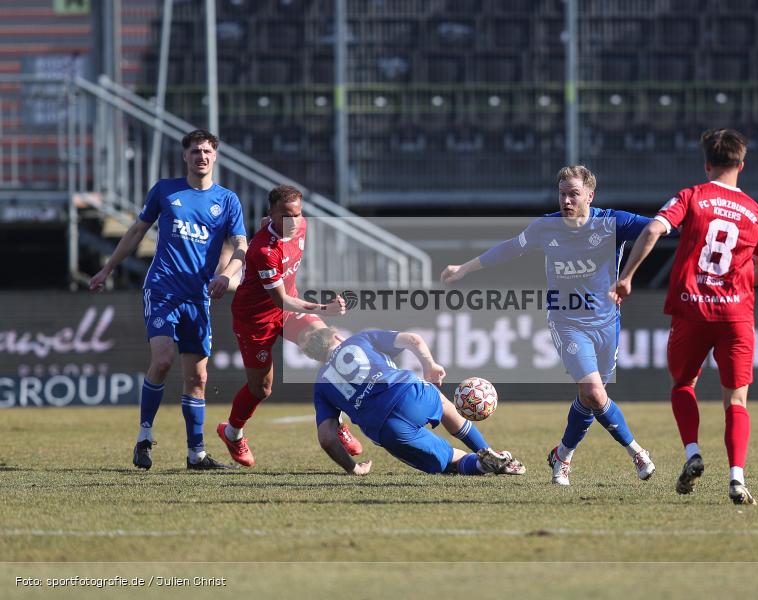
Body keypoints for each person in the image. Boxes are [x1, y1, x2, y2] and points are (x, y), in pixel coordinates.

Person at [442, 165, 668, 486]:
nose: (567, 200)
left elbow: (657, 229)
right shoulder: (545, 228)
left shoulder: (612, 222)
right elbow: (509, 248)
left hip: (607, 323)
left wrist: (696, 225)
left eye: (574, 194)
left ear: (590, 195)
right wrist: (464, 268)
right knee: (593, 391)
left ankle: (562, 455)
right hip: (566, 320)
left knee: (590, 399)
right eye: (562, 194)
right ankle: (637, 452)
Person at [609, 128, 758, 505]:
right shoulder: (757, 213)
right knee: (736, 401)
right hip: (735, 315)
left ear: (707, 163)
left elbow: (653, 228)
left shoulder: (693, 197)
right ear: (741, 165)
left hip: (691, 308)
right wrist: (732, 280)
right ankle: (737, 477)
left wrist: (627, 277)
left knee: (683, 384)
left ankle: (692, 453)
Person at [90, 129, 248, 470]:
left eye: (206, 151)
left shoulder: (228, 200)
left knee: (198, 379)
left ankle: (197, 454)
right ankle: (144, 438)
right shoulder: (165, 190)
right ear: (185, 156)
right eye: (195, 151)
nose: (201, 156)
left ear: (215, 156)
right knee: (162, 360)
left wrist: (227, 274)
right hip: (162, 289)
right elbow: (135, 232)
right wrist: (107, 270)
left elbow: (241, 247)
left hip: (198, 297)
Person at [218, 185, 358, 467]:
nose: (293, 221)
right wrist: (324, 309)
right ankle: (232, 433)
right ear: (270, 214)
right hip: (256, 319)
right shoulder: (262, 251)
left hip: (289, 312)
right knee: (261, 389)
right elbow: (281, 300)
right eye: (285, 216)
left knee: (336, 350)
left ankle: (337, 424)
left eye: (297, 214)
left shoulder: (299, 225)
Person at [304, 326, 526, 477]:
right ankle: (485, 451)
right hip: (411, 394)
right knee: (443, 403)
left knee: (449, 462)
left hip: (387, 429)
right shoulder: (360, 339)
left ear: (317, 358)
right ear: (337, 337)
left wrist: (353, 469)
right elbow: (414, 339)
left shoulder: (321, 385)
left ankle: (481, 465)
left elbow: (326, 439)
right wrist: (429, 365)